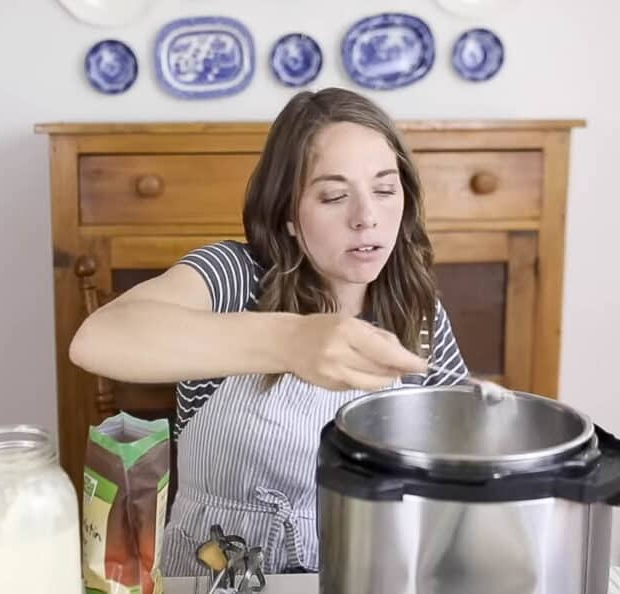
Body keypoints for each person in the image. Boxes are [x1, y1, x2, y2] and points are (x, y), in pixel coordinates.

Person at [69, 87, 469, 576]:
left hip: (357, 576)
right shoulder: (235, 277)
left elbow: (458, 465)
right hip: (207, 578)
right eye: (334, 195)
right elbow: (99, 338)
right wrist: (291, 341)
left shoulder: (417, 310)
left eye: (385, 190)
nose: (366, 216)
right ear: (289, 216)